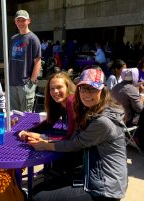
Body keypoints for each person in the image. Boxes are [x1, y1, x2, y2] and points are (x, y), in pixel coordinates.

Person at [22, 68, 127, 201]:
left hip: (106, 186)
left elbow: (75, 143)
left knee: (39, 196)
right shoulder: (87, 109)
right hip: (92, 171)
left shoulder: (102, 121)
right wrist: (42, 139)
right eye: (83, 89)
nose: (87, 94)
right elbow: (70, 136)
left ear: (102, 90)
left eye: (92, 89)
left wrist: (45, 144)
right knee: (37, 189)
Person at [19, 71, 76, 141]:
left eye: (59, 87)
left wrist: (41, 137)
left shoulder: (72, 102)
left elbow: (71, 138)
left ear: (68, 87)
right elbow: (49, 123)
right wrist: (28, 132)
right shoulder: (60, 103)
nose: (55, 91)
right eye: (52, 88)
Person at [9, 9, 41, 112]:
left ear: (28, 21)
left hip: (25, 83)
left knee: (25, 116)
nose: (21, 23)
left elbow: (38, 61)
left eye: (23, 20)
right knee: (14, 115)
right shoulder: (13, 38)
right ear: (15, 22)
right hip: (12, 83)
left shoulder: (33, 39)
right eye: (18, 20)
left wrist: (31, 81)